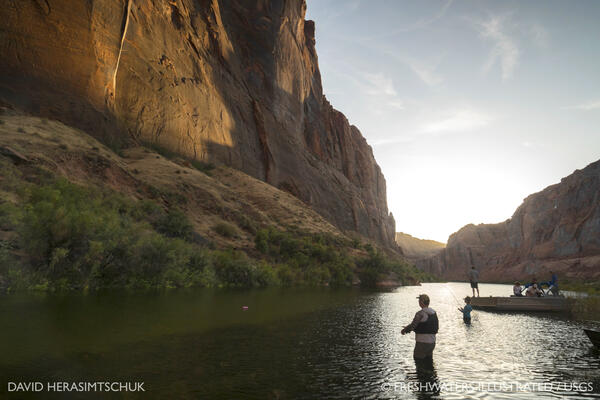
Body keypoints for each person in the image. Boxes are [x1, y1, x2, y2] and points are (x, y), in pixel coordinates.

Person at [401, 294, 438, 360]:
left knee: (418, 362)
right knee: (428, 363)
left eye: (419, 301)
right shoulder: (434, 313)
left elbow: (413, 326)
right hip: (432, 343)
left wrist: (404, 330)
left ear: (421, 302)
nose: (418, 302)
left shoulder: (420, 313)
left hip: (422, 343)